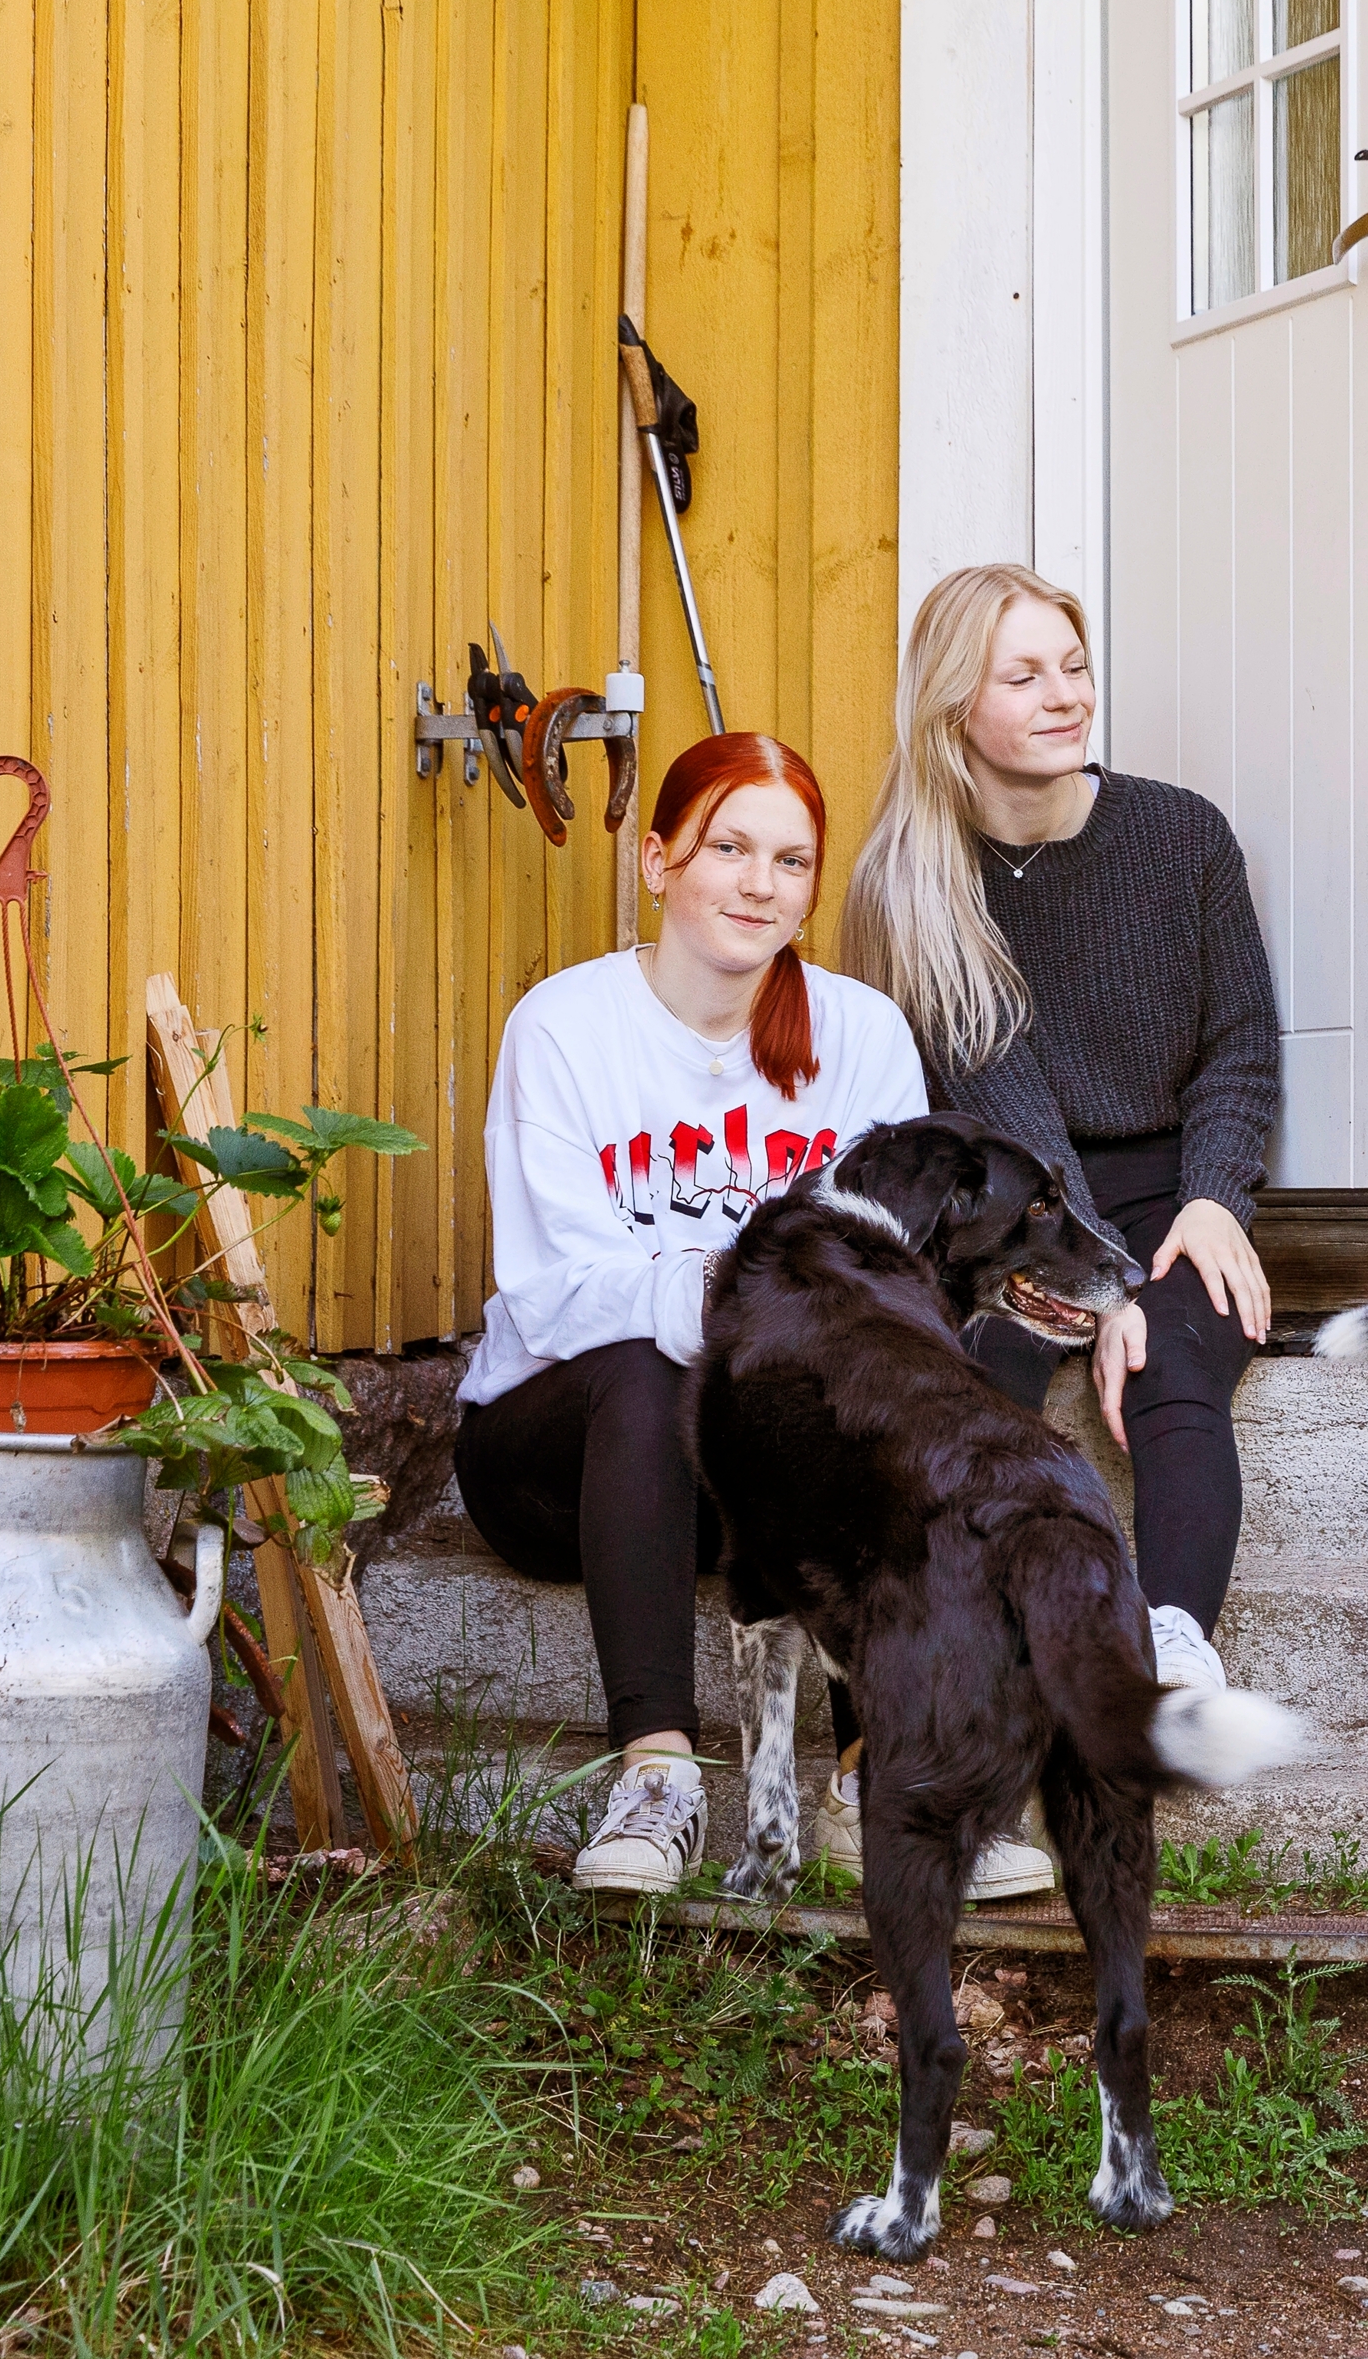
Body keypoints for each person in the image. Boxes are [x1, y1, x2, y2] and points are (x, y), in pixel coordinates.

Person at [455, 732, 1062, 1900]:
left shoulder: (861, 1036)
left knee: (855, 1403)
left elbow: (893, 1284)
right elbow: (559, 1292)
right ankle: (660, 1780)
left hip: (749, 1484)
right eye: (728, 847)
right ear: (658, 859)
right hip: (562, 1458)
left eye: (789, 861)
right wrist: (767, 1301)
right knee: (644, 1363)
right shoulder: (565, 1027)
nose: (757, 882)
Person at [840, 565, 1282, 1703]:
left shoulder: (1181, 838)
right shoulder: (916, 883)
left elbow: (1240, 1045)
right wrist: (1100, 1290)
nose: (1064, 695)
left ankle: (1173, 1636)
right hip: (1015, 1205)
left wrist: (1214, 1202)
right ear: (953, 708)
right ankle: (968, 1643)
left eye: (1074, 667)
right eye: (1024, 674)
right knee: (982, 1368)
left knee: (1181, 1356)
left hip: (1171, 1184)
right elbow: (1006, 1110)